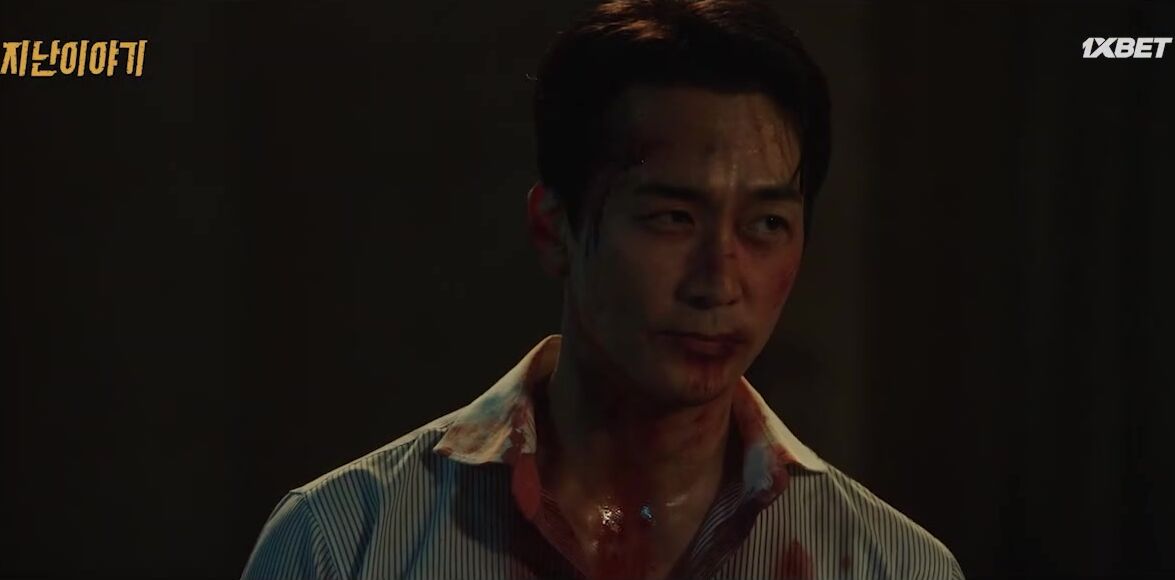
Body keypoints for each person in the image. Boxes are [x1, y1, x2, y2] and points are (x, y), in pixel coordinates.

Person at [241, 1, 964, 578]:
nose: (718, 281)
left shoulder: (889, 564)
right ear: (554, 227)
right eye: (671, 218)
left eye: (766, 224)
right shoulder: (345, 544)